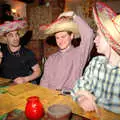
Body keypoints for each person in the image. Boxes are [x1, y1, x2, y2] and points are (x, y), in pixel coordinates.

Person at [71, 2, 120, 114]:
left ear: (110, 40)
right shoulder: (96, 62)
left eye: (98, 35)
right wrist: (82, 98)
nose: (95, 40)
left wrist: (93, 99)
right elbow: (77, 88)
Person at [39, 11, 94, 90]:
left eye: (63, 36)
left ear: (71, 36)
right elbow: (45, 81)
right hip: (50, 96)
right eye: (57, 38)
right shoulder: (51, 58)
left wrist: (73, 15)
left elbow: (89, 35)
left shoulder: (79, 53)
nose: (60, 41)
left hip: (69, 98)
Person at [0, 20, 41, 84]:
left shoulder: (27, 53)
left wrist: (25, 79)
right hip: (6, 86)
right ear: (6, 38)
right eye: (11, 35)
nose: (15, 38)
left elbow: (38, 72)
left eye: (17, 34)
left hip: (22, 86)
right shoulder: (2, 52)